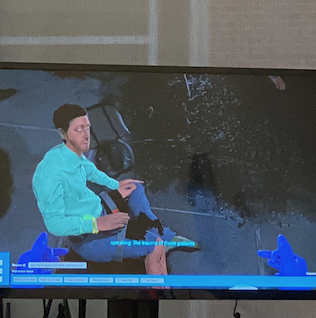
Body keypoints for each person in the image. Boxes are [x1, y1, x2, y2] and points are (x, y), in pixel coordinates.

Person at [32, 104, 199, 274]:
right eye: (79, 129)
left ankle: (163, 234)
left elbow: (90, 171)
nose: (86, 135)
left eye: (87, 127)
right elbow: (55, 224)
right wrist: (96, 224)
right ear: (63, 133)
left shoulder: (70, 153)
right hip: (90, 240)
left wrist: (115, 185)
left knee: (134, 188)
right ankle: (159, 292)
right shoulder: (49, 176)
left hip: (100, 210)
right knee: (154, 246)